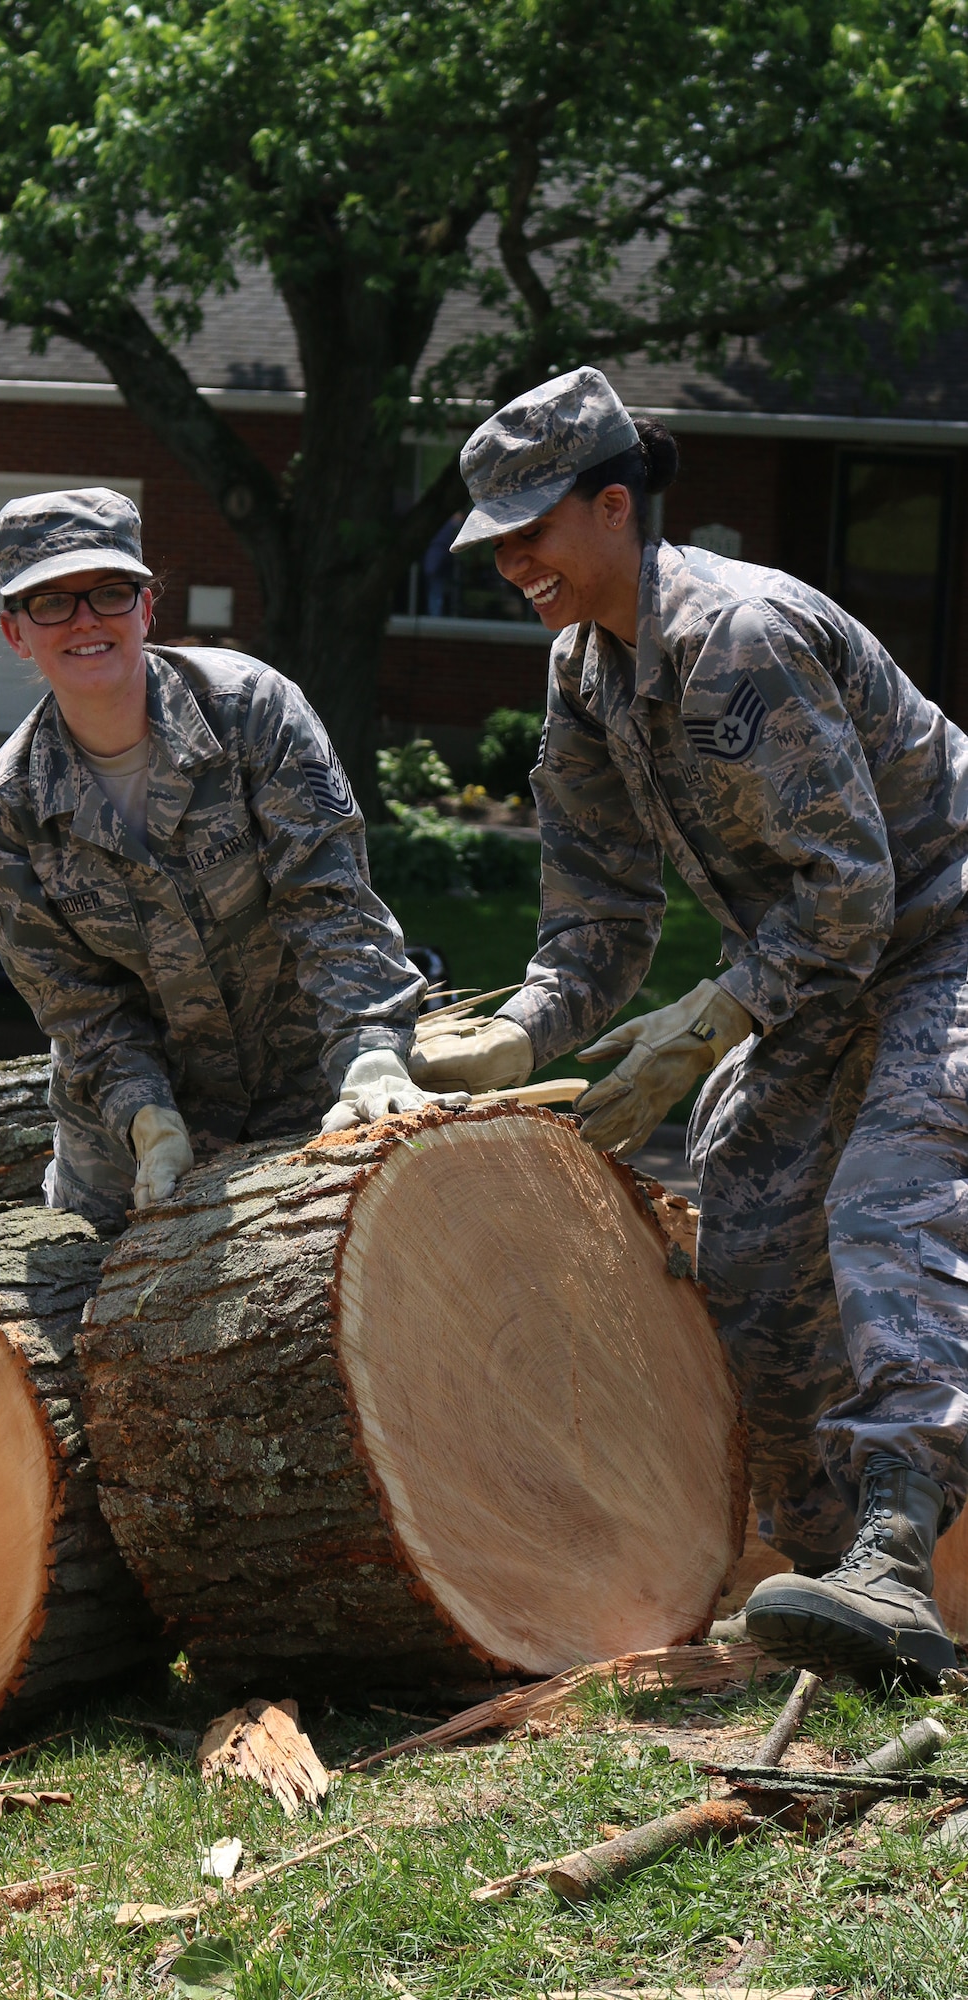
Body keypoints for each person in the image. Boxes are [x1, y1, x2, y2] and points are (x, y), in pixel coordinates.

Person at [410, 366, 968, 1686]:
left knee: (887, 1199)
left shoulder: (739, 635)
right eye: (494, 547)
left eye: (531, 536)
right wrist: (521, 1037)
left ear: (614, 508)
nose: (512, 566)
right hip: (827, 965)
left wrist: (710, 1019)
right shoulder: (583, 671)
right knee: (748, 1219)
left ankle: (898, 1545)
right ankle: (825, 1569)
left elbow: (853, 891)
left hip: (943, 936)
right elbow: (600, 916)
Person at [0, 486, 460, 1232]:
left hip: (301, 1097)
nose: (84, 621)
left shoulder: (251, 711)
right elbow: (77, 1002)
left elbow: (327, 900)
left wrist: (368, 1052)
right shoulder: (10, 805)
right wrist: (147, 1119)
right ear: (14, 632)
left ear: (146, 608)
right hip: (124, 1148)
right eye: (50, 604)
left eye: (108, 593)